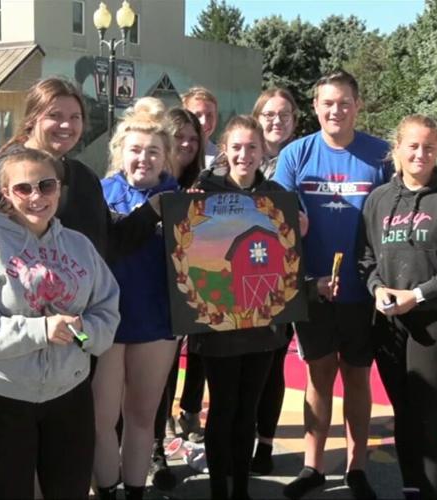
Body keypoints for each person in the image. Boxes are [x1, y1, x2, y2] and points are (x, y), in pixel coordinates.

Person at [0, 146, 120, 498]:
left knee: (69, 491)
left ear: (59, 188)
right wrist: (38, 331)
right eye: (23, 188)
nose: (36, 196)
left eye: (46, 185)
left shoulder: (79, 246)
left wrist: (85, 335)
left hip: (69, 394)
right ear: (6, 195)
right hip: (1, 398)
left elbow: (107, 307)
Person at [274, 70, 391, 500]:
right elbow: (279, 220)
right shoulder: (296, 154)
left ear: (357, 105)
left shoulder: (381, 155)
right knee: (318, 376)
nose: (335, 110)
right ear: (316, 106)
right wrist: (310, 280)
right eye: (327, 102)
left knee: (358, 377)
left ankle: (357, 466)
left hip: (365, 289)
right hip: (313, 287)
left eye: (344, 102)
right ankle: (313, 465)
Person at [358, 115, 437, 499]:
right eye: (412, 145)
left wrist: (421, 294)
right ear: (395, 149)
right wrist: (377, 288)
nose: (420, 154)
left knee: (427, 419)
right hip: (390, 321)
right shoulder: (379, 199)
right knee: (403, 413)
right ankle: (412, 489)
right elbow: (365, 258)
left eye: (429, 146)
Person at [190, 115, 293, 499]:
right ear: (225, 149)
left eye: (252, 147)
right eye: (236, 146)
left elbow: (287, 257)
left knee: (247, 408)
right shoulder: (203, 191)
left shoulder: (278, 197)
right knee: (222, 408)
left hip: (262, 323)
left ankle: (240, 491)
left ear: (263, 149)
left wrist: (298, 229)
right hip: (217, 323)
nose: (244, 154)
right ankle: (220, 489)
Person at [0, 77, 160, 260]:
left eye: (75, 117)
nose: (66, 125)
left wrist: (152, 210)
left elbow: (107, 241)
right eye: (55, 115)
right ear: (32, 119)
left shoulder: (83, 178)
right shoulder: (1, 177)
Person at [94, 107, 180, 500]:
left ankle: (134, 490)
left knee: (142, 417)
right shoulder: (100, 192)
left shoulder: (181, 200)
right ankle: (107, 488)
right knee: (102, 420)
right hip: (105, 323)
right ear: (120, 152)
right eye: (135, 150)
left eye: (153, 152)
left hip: (157, 322)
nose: (143, 158)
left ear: (167, 157)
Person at [149, 107, 207, 490]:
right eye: (179, 136)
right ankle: (152, 451)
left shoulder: (203, 183)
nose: (186, 144)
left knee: (169, 378)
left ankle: (159, 447)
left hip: (191, 293)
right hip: (152, 294)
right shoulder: (154, 181)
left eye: (193, 138)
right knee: (152, 382)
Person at [248, 86, 300, 475]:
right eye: (269, 114)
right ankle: (238, 438)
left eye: (284, 114)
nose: (276, 121)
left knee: (273, 362)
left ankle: (265, 442)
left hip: (282, 278)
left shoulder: (300, 159)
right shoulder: (237, 154)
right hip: (239, 277)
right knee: (241, 364)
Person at [182, 86, 220, 167]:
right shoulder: (174, 154)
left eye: (210, 115)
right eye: (197, 115)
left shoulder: (222, 158)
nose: (204, 122)